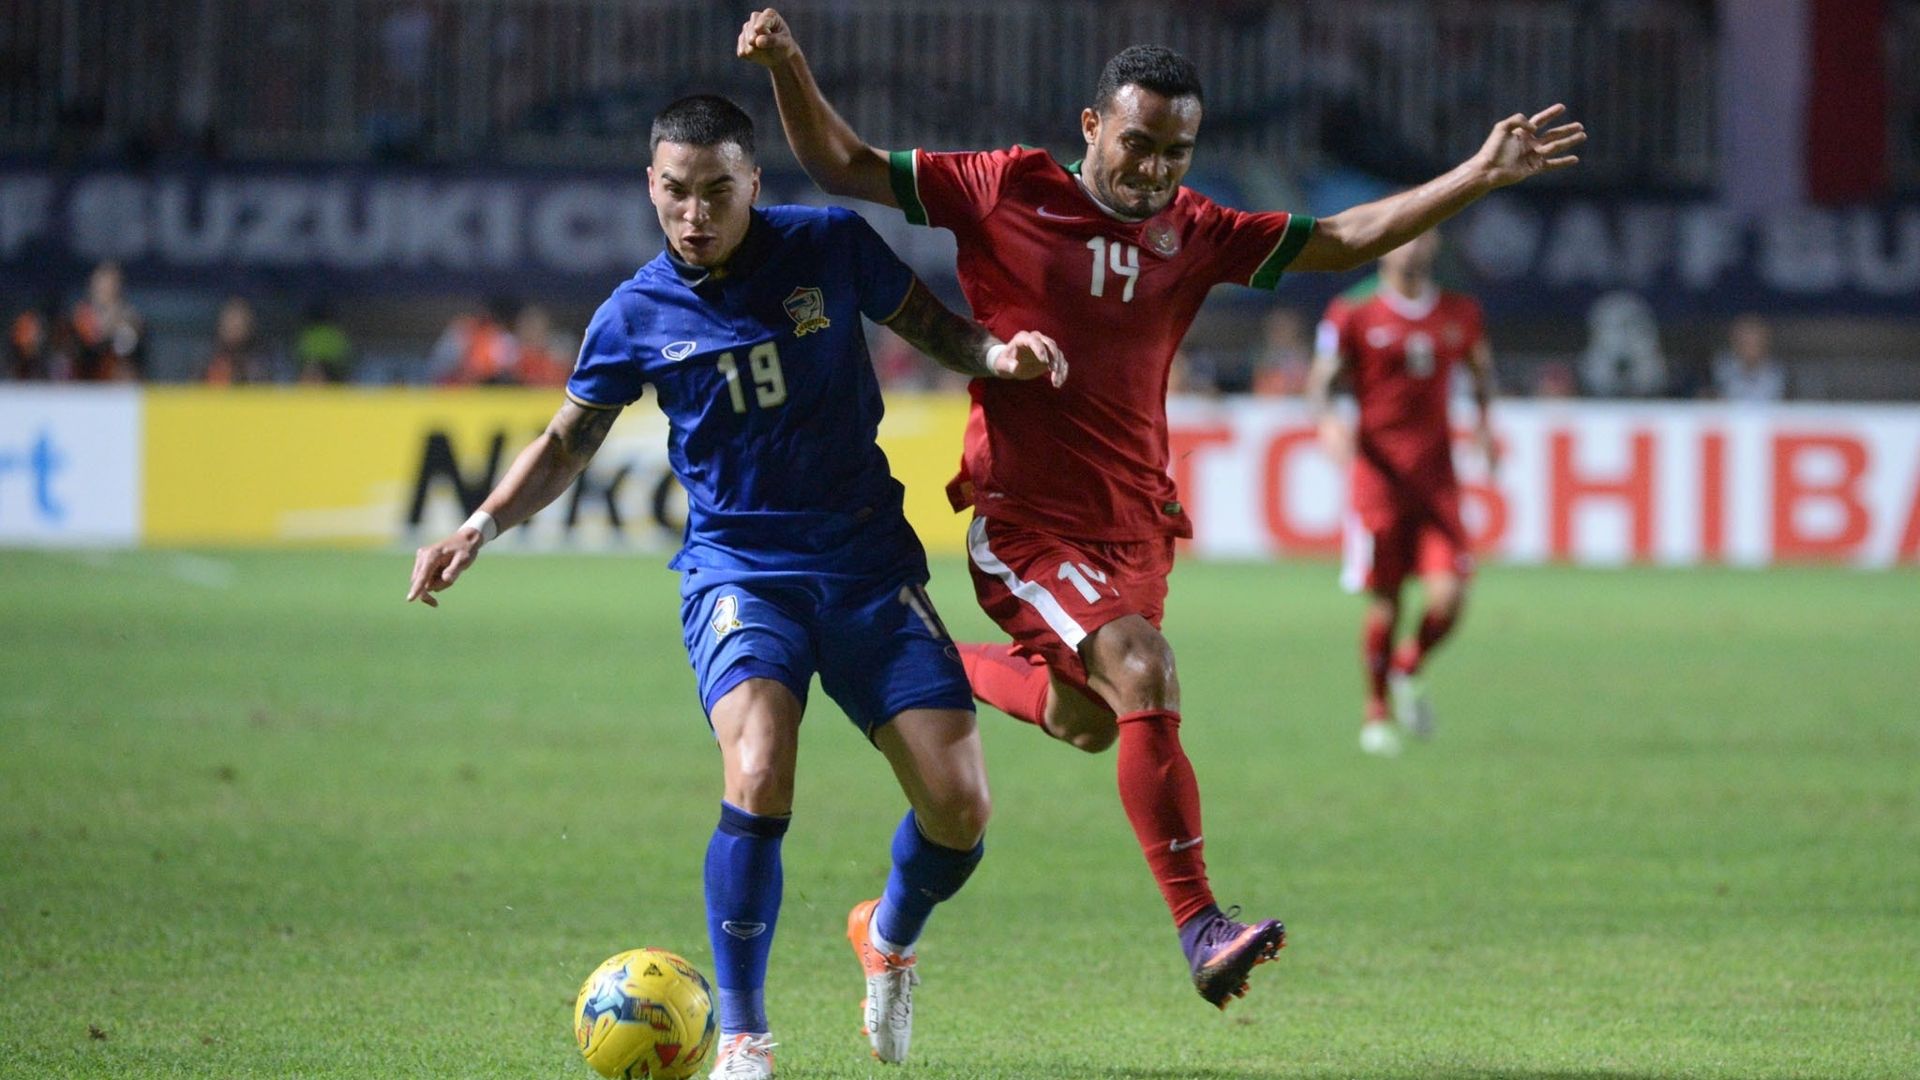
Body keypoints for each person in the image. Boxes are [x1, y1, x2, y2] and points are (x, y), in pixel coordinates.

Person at [739, 8, 1582, 1008]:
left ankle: (912, 667)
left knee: (1090, 716)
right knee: (1142, 666)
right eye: (1137, 144)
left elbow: (1347, 235)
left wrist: (1476, 177)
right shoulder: (1006, 185)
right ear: (1091, 124)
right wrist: (790, 65)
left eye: (1175, 153)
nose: (1153, 171)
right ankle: (1200, 927)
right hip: (1025, 520)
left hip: (1135, 523)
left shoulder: (1199, 231)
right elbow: (845, 164)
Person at [404, 95, 1064, 1080]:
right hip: (739, 571)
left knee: (960, 810)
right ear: (651, 187)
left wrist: (997, 356)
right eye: (676, 191)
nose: (696, 213)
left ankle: (886, 932)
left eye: (718, 190)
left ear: (755, 182)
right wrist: (480, 522)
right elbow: (566, 443)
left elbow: (936, 328)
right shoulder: (632, 314)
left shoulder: (831, 247)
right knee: (757, 766)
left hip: (864, 564)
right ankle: (746, 1038)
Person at [1303, 231, 1496, 756]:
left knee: (1450, 597)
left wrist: (1483, 424)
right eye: (1403, 238)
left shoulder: (1460, 311)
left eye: (1423, 237)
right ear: (1386, 245)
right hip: (1379, 481)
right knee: (1385, 601)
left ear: (1434, 245)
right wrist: (1327, 421)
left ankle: (1409, 667)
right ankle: (1377, 710)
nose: (1411, 248)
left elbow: (1480, 371)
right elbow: (1321, 379)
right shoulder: (1354, 310)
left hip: (1437, 481)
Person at [1710, 313, 1787, 402]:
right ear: (1734, 342)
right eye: (1745, 341)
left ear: (1765, 342)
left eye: (1755, 342)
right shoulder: (1721, 367)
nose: (1750, 347)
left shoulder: (1777, 371)